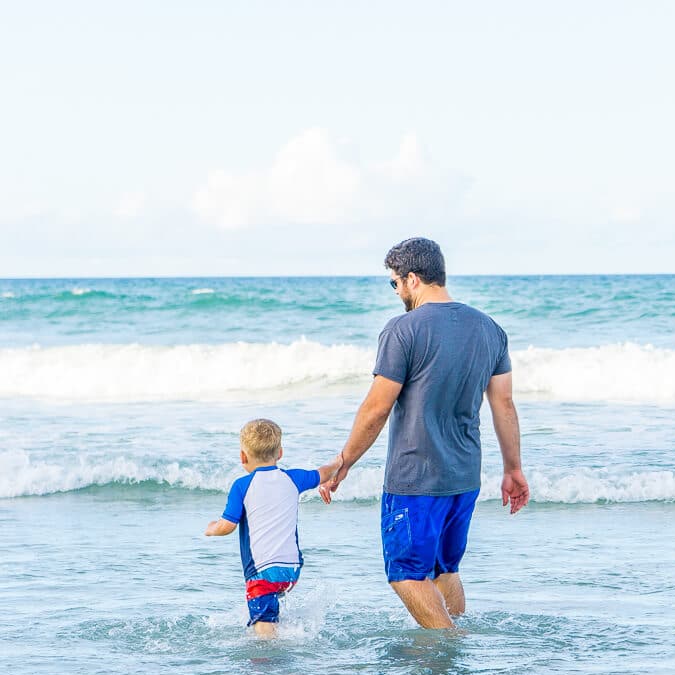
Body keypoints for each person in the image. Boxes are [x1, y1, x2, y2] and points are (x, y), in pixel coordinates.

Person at [321, 238, 529, 629]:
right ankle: (453, 659)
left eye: (395, 283)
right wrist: (513, 469)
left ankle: (449, 646)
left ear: (412, 279)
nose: (396, 292)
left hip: (415, 477)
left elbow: (377, 407)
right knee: (443, 569)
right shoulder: (490, 329)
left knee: (406, 573)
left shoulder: (403, 330)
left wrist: (344, 460)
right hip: (464, 477)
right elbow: (504, 405)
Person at [205, 418, 341, 637]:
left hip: (262, 572)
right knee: (271, 610)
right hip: (292, 570)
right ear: (280, 453)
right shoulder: (293, 478)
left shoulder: (242, 485)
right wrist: (337, 464)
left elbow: (227, 526)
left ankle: (269, 664)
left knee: (264, 631)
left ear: (243, 456)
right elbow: (322, 473)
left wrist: (211, 528)